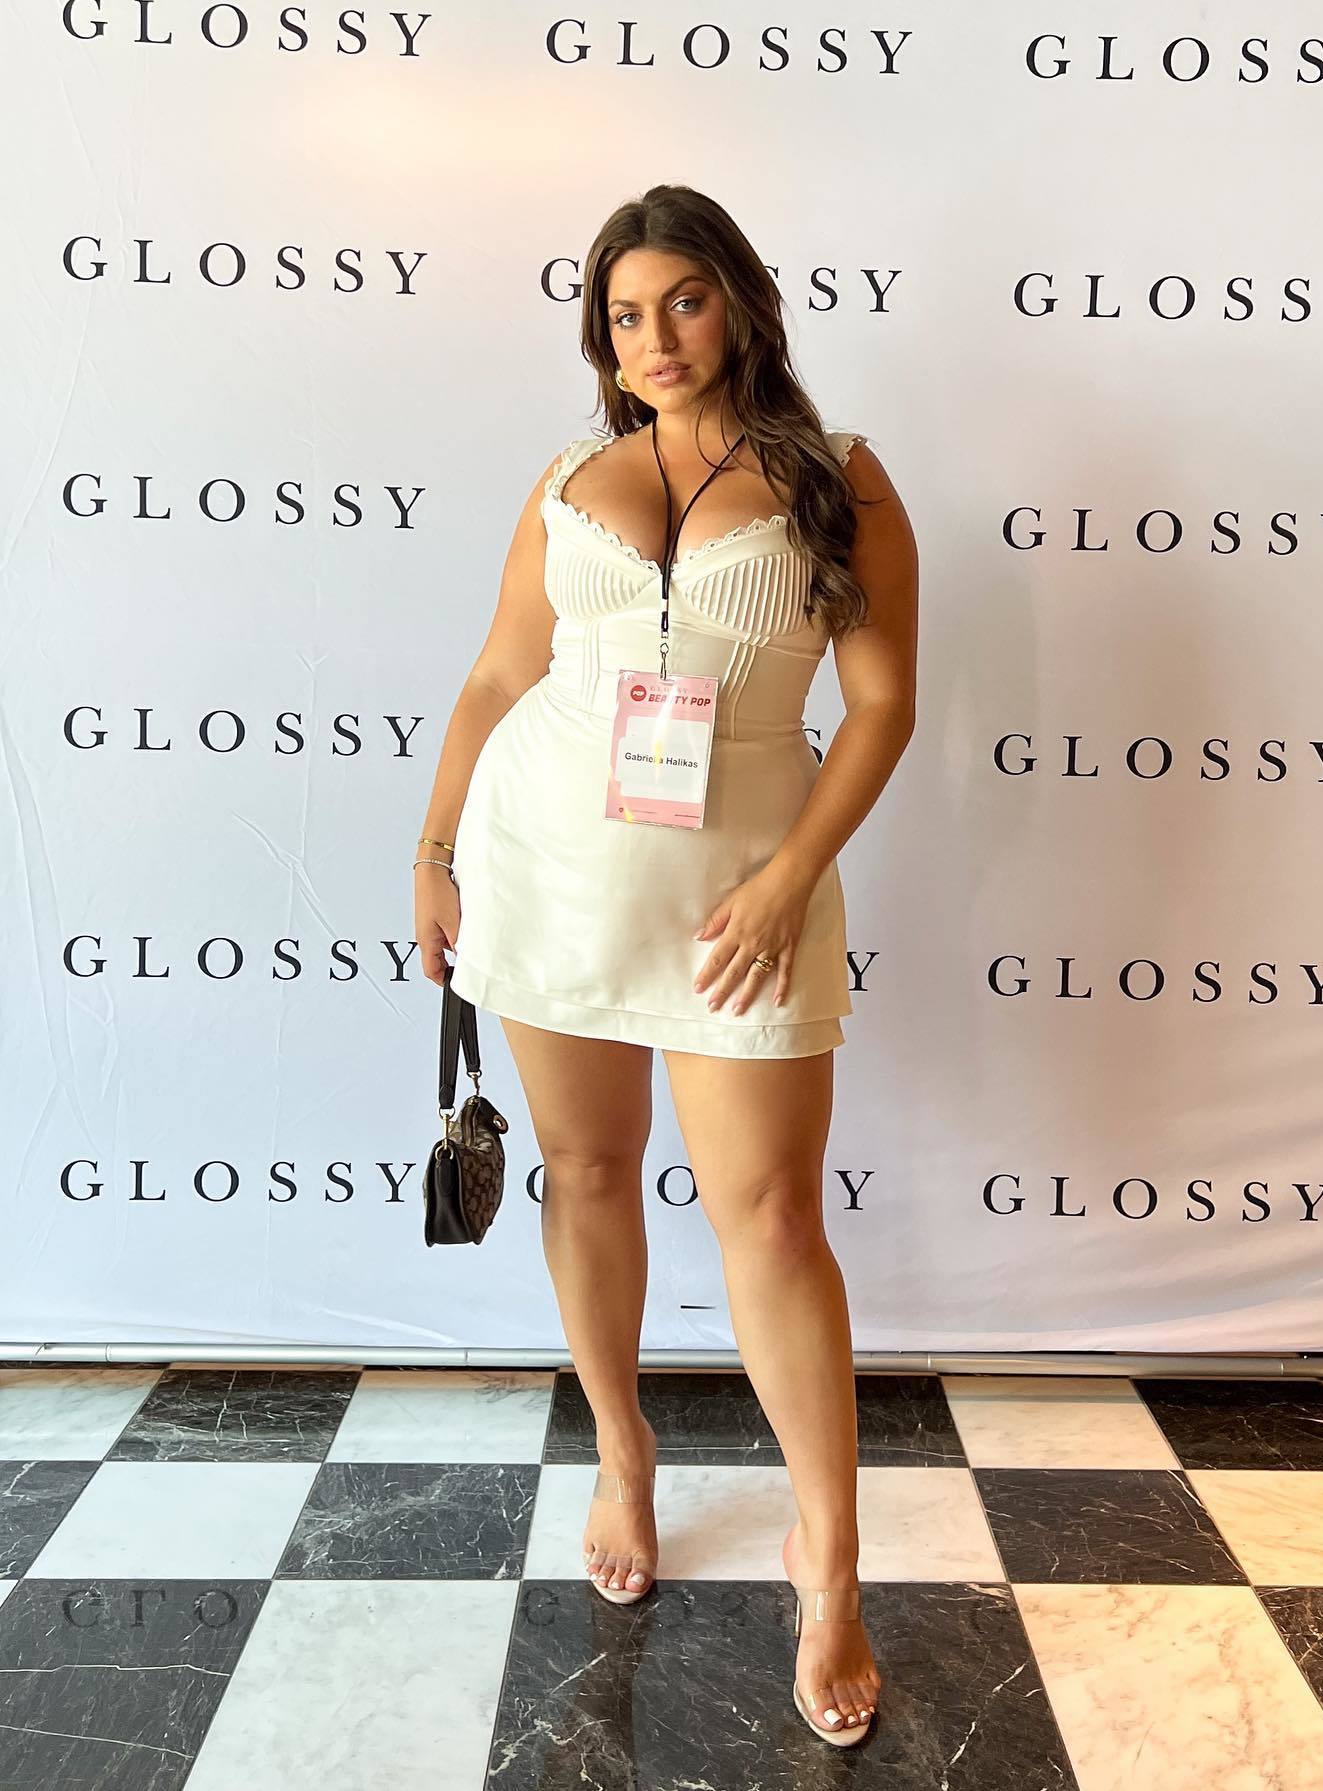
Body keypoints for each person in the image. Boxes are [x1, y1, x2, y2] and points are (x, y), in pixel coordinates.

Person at [413, 183, 918, 1746]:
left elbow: (882, 705)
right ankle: (624, 1451)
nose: (656, 337)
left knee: (774, 1217)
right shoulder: (569, 479)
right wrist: (434, 849)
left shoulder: (839, 478)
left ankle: (829, 1561)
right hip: (549, 870)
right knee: (585, 1168)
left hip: (742, 893)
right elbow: (502, 672)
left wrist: (789, 880)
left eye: (683, 301)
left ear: (741, 303)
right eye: (624, 314)